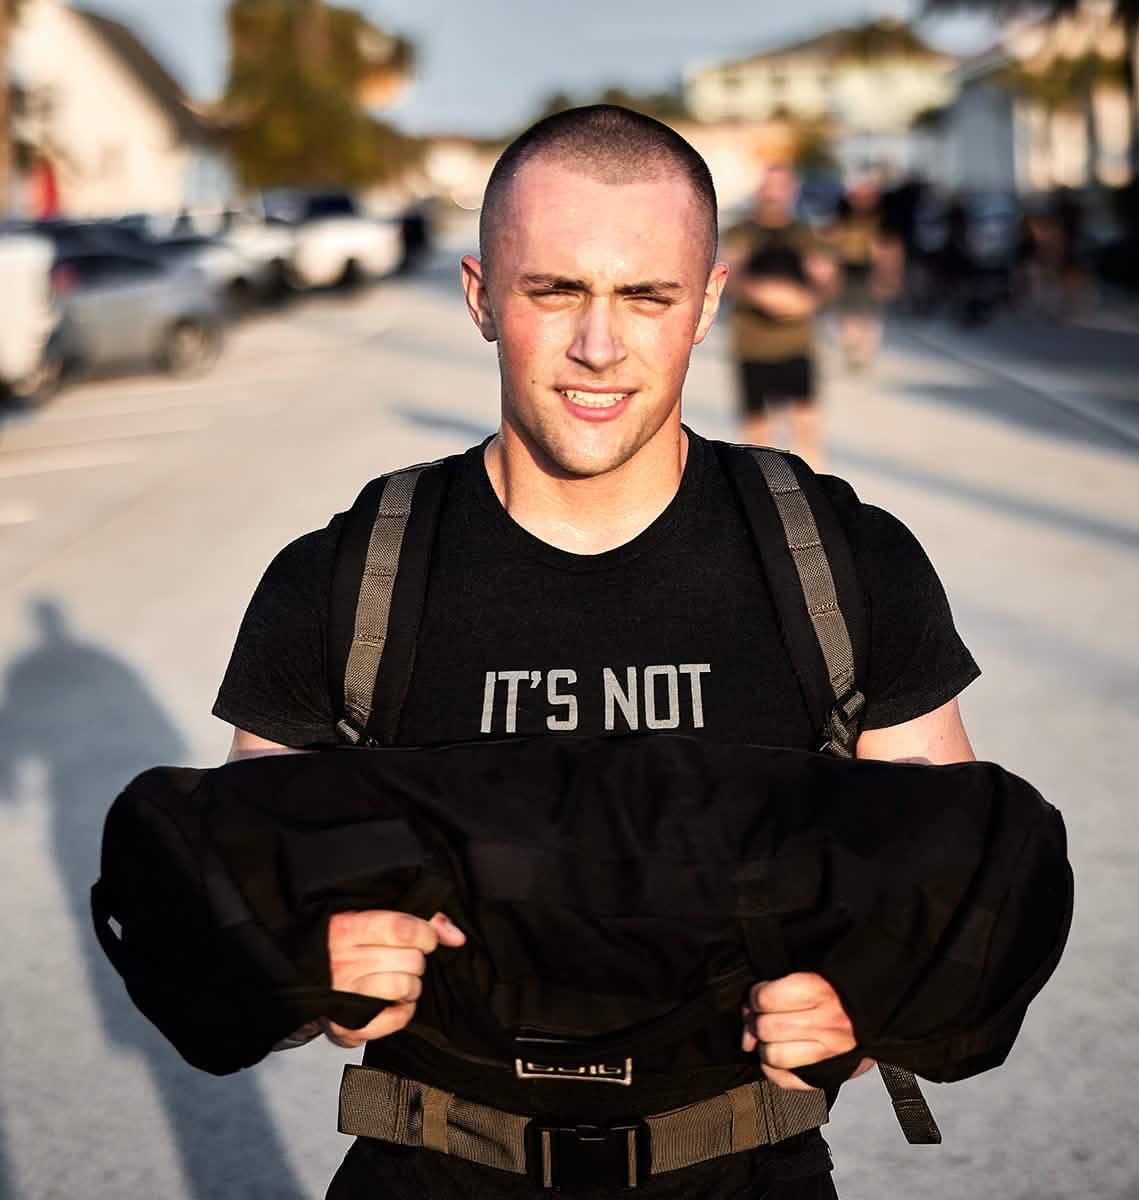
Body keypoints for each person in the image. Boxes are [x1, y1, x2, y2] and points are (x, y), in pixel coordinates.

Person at [214, 105, 980, 1199]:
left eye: (646, 295)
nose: (599, 345)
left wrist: (871, 1001)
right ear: (482, 298)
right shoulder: (343, 581)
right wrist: (306, 967)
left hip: (745, 1170)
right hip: (429, 1170)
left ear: (707, 302)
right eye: (555, 290)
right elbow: (241, 916)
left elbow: (950, 883)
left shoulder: (842, 563)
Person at [720, 164, 834, 466]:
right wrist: (764, 295)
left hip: (796, 343)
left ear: (792, 190)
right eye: (769, 186)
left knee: (805, 423)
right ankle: (762, 497)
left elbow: (825, 281)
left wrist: (805, 301)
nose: (774, 193)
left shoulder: (806, 234)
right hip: (752, 343)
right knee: (756, 430)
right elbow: (727, 278)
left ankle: (814, 494)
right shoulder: (741, 233)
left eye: (781, 186)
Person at [829, 175, 903, 370]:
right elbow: (831, 244)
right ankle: (851, 347)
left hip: (872, 269)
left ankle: (864, 350)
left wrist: (892, 275)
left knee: (870, 312)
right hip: (847, 267)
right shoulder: (843, 217)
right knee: (847, 311)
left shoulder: (885, 220)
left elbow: (893, 249)